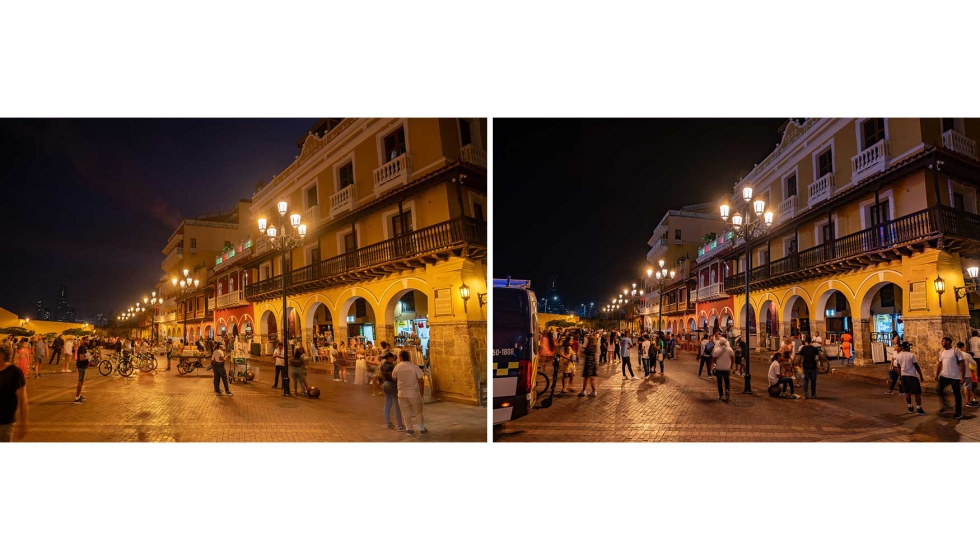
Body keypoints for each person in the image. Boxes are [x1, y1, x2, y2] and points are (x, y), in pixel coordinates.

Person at [394, 350, 426, 435]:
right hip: (413, 394)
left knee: (405, 412)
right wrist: (421, 392)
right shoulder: (414, 367)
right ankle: (421, 428)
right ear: (409, 357)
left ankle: (409, 429)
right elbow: (421, 380)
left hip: (401, 393)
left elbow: (394, 378)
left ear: (400, 358)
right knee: (418, 412)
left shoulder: (397, 367)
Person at [0, 346, 28, 442]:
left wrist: (24, 423)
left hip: (5, 422)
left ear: (2, 355)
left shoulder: (14, 372)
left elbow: (23, 399)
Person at [936, 335, 967, 419]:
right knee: (939, 390)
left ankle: (958, 412)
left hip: (955, 377)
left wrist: (962, 376)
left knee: (956, 394)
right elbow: (940, 364)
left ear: (948, 342)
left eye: (943, 341)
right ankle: (945, 405)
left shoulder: (956, 351)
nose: (941, 342)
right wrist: (937, 374)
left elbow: (962, 364)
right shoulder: (942, 351)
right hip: (944, 375)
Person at [893, 342, 926, 414]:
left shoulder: (899, 356)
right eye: (909, 346)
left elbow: (898, 367)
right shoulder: (911, 355)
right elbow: (916, 366)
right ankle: (919, 408)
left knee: (907, 393)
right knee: (917, 393)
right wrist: (921, 375)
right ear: (907, 347)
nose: (910, 348)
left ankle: (910, 407)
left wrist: (900, 376)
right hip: (912, 376)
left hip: (903, 376)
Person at [380, 351, 404, 429]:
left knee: (387, 404)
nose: (394, 358)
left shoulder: (383, 365)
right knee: (396, 405)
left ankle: (387, 423)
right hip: (392, 385)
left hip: (385, 384)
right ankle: (400, 426)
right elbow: (393, 377)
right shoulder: (391, 366)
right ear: (389, 358)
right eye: (393, 357)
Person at [710, 334, 734, 401]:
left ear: (719, 342)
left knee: (719, 382)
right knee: (727, 381)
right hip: (726, 368)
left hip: (719, 368)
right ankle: (727, 390)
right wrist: (731, 365)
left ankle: (721, 395)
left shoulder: (716, 350)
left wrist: (714, 364)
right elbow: (732, 358)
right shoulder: (729, 349)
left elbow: (713, 359)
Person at [956, 342, 979, 408]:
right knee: (967, 388)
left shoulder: (954, 354)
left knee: (957, 389)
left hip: (956, 374)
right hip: (966, 374)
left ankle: (957, 403)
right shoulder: (966, 355)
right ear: (963, 347)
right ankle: (968, 401)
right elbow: (974, 363)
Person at [73, 336, 90, 404]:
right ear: (83, 340)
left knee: (82, 381)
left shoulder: (85, 347)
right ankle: (77, 398)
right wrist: (89, 357)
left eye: (88, 340)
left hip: (84, 366)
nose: (88, 341)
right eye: (86, 340)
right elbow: (81, 358)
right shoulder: (82, 347)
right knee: (80, 381)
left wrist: (91, 356)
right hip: (82, 366)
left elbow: (86, 355)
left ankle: (79, 395)